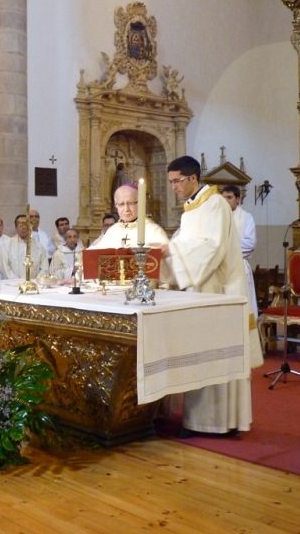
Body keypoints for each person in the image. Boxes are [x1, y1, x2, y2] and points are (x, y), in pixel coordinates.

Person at [157, 156, 263, 437]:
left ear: (193, 178)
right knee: (197, 356)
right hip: (198, 291)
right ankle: (197, 420)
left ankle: (218, 422)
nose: (174, 187)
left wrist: (174, 254)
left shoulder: (214, 203)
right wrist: (168, 254)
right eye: (171, 183)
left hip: (217, 292)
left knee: (214, 355)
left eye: (177, 181)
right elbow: (183, 243)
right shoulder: (191, 210)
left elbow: (212, 248)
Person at [90, 184, 169, 249]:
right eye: (121, 204)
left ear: (140, 203)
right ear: (116, 205)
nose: (126, 209)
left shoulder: (154, 231)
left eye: (130, 203)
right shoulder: (112, 231)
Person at [222, 185, 258, 321]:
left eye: (229, 197)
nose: (226, 201)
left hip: (239, 268)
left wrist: (223, 246)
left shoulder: (246, 218)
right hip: (220, 269)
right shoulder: (215, 218)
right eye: (223, 198)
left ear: (238, 199)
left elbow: (249, 244)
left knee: (242, 307)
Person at [0, 215, 48, 279]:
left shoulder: (38, 246)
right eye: (21, 225)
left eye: (26, 225)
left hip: (34, 284)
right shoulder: (7, 245)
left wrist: (35, 281)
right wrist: (18, 281)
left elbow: (44, 267)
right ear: (16, 228)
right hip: (13, 285)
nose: (24, 228)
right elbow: (4, 267)